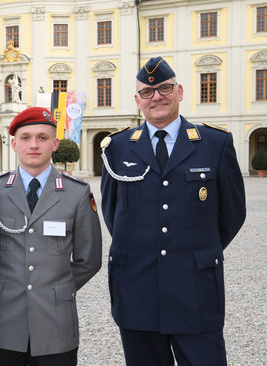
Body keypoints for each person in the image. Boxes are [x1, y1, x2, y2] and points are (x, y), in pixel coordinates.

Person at [100, 56, 246, 365]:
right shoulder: (117, 147)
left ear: (179, 90)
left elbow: (232, 214)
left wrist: (195, 251)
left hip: (196, 290)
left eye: (164, 88)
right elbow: (114, 213)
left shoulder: (214, 143)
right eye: (147, 93)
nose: (157, 97)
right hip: (137, 289)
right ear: (137, 101)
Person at [0, 107, 102, 366]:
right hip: (3, 319)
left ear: (55, 143)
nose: (34, 145)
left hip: (55, 320)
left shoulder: (77, 193)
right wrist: (1, 281)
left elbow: (89, 259)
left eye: (42, 137)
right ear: (14, 143)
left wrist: (57, 287)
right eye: (25, 138)